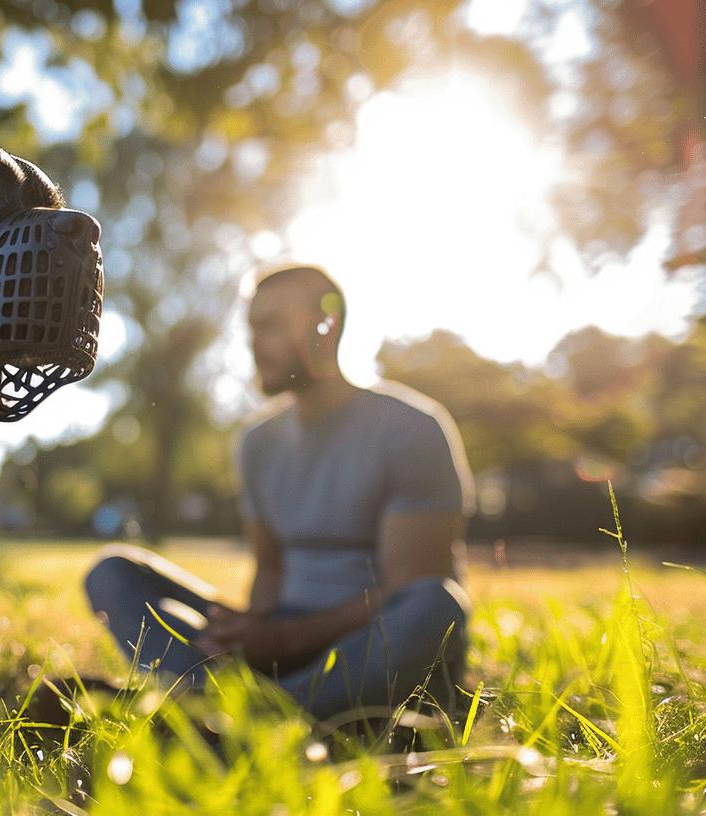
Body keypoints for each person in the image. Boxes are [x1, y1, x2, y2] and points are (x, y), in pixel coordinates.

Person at [83, 264, 475, 719]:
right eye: (250, 328)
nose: (252, 343)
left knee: (437, 605)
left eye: (269, 326)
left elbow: (405, 586)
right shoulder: (257, 441)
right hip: (282, 632)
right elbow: (269, 570)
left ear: (325, 327)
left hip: (371, 637)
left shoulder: (411, 428)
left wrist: (287, 639)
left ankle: (249, 714)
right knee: (113, 572)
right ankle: (258, 705)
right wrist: (252, 629)